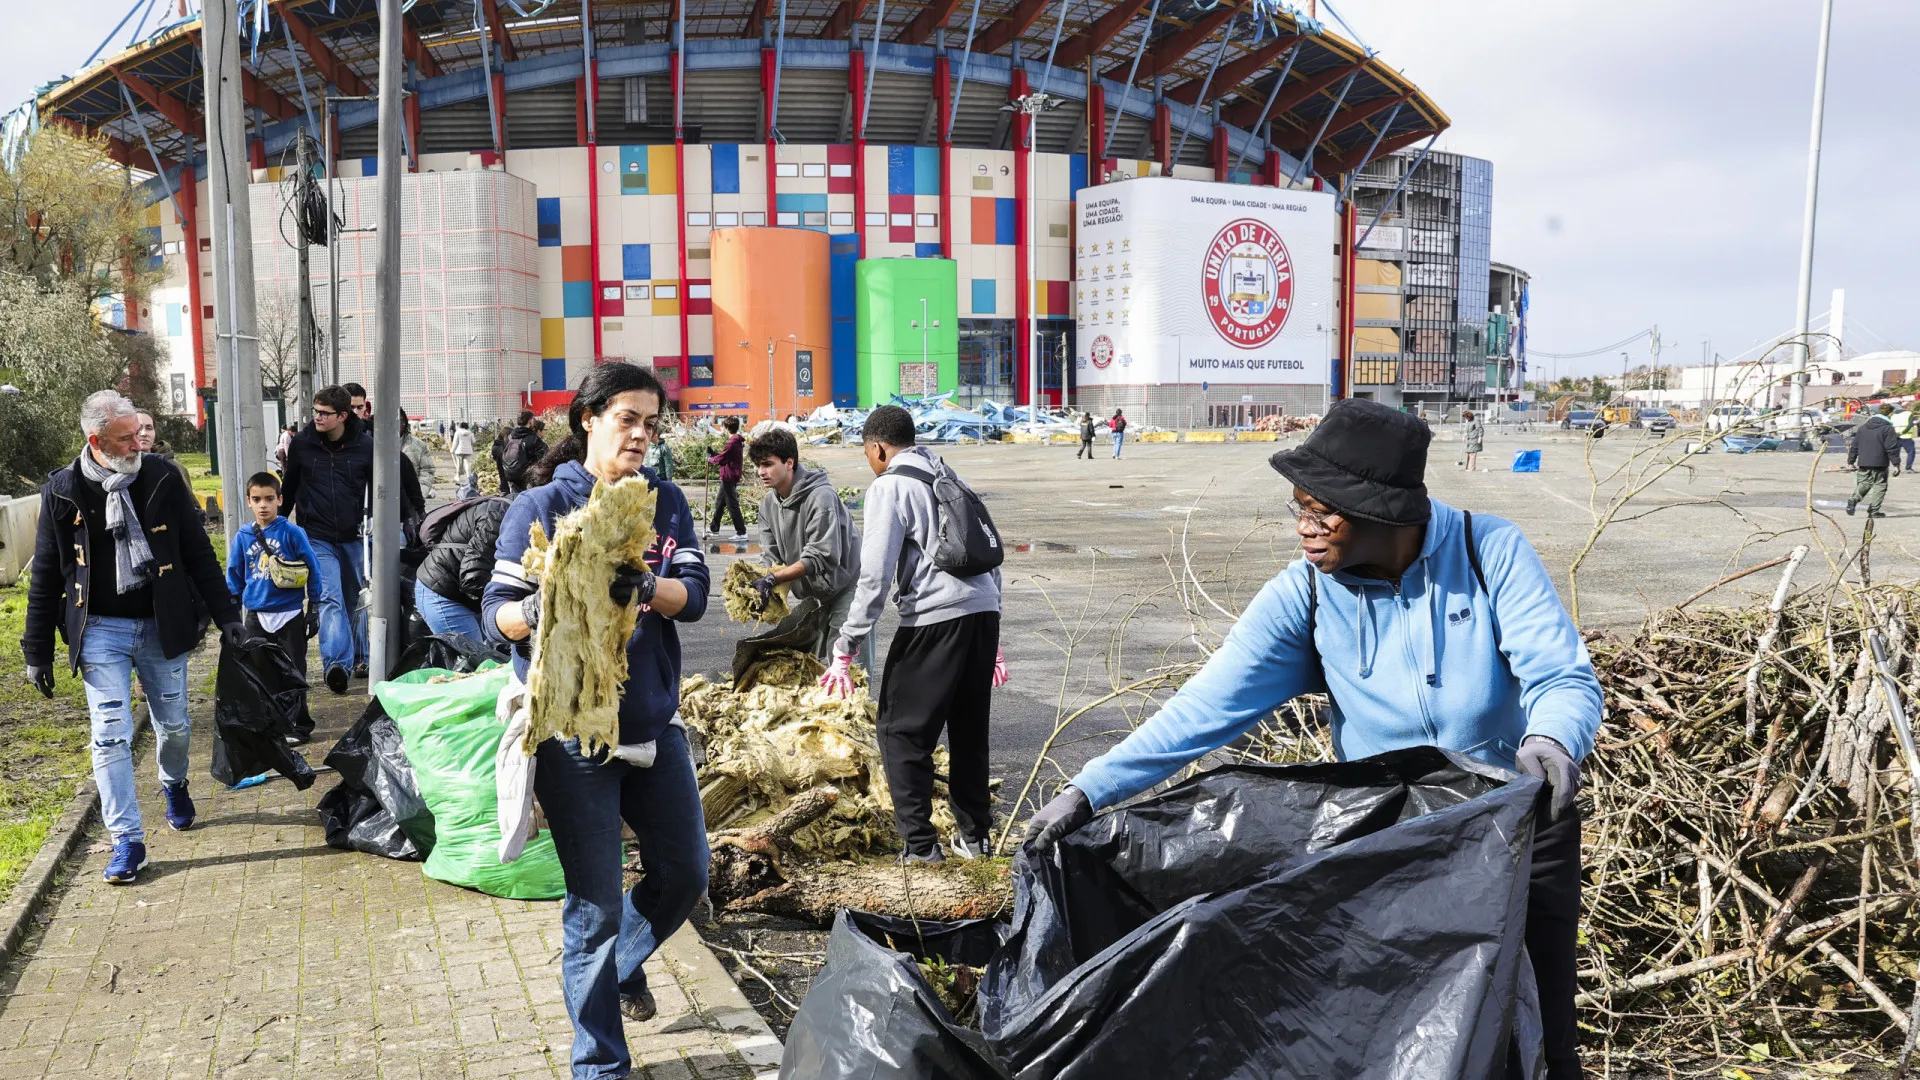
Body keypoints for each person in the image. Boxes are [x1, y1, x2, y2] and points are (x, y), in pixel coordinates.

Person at [1023, 398, 1602, 1080]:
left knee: (1542, 1040)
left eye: (1320, 509)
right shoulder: (1308, 596)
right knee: (1411, 1036)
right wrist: (1088, 792)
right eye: (1296, 505)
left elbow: (1562, 675)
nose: (1303, 527)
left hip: (1518, 832)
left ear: (1382, 510)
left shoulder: (1486, 551)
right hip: (1396, 846)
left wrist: (1552, 741)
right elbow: (1204, 707)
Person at [481, 362, 711, 1077]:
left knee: (685, 872)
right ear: (588, 418)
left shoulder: (665, 503)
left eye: (652, 423)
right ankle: (599, 1064)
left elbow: (696, 595)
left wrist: (650, 585)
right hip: (572, 732)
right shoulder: (542, 507)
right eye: (627, 420)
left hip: (650, 723)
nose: (641, 435)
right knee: (594, 908)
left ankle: (617, 970)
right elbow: (496, 618)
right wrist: (548, 597)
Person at [21, 391, 246, 883]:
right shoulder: (62, 489)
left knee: (176, 723)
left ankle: (174, 781)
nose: (137, 444)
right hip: (98, 627)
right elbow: (46, 576)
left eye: (138, 434)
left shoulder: (161, 476)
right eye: (125, 438)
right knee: (109, 734)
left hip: (161, 624)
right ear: (94, 439)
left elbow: (197, 554)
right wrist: (36, 649)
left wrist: (228, 614)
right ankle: (127, 840)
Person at [818, 405, 1007, 862]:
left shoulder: (890, 485)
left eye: (867, 452)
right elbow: (987, 553)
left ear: (878, 447)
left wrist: (847, 643)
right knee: (967, 731)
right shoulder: (949, 474)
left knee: (900, 731)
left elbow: (875, 575)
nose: (869, 461)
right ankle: (974, 839)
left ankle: (921, 848)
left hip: (934, 619)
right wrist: (994, 639)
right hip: (983, 615)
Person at [282, 385, 374, 693]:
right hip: (316, 536)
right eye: (316, 412)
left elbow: (380, 488)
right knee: (329, 598)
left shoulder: (365, 446)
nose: (317, 417)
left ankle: (358, 656)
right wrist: (279, 526)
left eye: (325, 413)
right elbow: (290, 485)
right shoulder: (302, 445)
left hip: (354, 537)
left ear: (343, 416)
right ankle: (336, 666)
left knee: (351, 601)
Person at [748, 428, 867, 665]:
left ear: (789, 462)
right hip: (814, 592)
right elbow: (772, 560)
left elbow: (821, 556)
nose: (761, 472)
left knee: (845, 663)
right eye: (758, 465)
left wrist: (773, 579)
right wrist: (759, 587)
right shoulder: (767, 506)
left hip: (847, 584)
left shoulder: (821, 497)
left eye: (768, 464)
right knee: (814, 664)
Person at [226, 471, 323, 744]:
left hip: (290, 615)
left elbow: (313, 569)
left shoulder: (292, 533)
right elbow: (234, 577)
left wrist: (313, 606)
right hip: (256, 616)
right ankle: (269, 724)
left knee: (293, 673)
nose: (263, 505)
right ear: (248, 501)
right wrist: (229, 616)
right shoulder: (243, 537)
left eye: (269, 498)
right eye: (256, 499)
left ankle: (298, 726)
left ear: (280, 499)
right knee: (259, 674)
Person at [414, 494, 510, 640]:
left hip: (464, 595)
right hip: (443, 594)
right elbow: (472, 576)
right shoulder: (498, 516)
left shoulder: (515, 511)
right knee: (475, 660)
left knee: (491, 656)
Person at [1847, 403, 1901, 518]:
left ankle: (1853, 499)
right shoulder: (1888, 428)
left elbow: (1854, 446)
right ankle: (1873, 511)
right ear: (1890, 413)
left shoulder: (1863, 428)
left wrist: (1850, 462)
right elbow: (1891, 448)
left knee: (1865, 483)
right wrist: (1896, 464)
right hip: (1880, 463)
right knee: (1880, 486)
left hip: (1863, 462)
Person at [706, 416, 747, 542]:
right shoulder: (736, 441)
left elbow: (723, 458)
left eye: (723, 426)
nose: (722, 428)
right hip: (729, 475)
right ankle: (714, 528)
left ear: (727, 427)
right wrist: (714, 454)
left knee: (732, 505)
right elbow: (725, 455)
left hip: (729, 476)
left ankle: (741, 532)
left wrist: (710, 459)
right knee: (719, 502)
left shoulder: (732, 442)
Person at [494, 410, 549, 495]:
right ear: (530, 421)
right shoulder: (532, 438)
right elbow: (545, 458)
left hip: (511, 474)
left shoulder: (510, 436)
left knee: (516, 499)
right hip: (527, 478)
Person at [402, 419, 437, 499]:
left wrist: (420, 493)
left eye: (400, 420)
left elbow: (427, 470)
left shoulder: (418, 445)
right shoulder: (373, 443)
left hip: (411, 500)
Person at [1893, 403, 1917, 474]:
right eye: (1911, 406)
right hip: (1906, 436)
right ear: (1908, 406)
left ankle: (1896, 467)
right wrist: (1902, 432)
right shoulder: (1909, 413)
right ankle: (1908, 468)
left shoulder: (1894, 415)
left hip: (1895, 436)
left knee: (1896, 453)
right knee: (1911, 452)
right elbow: (1910, 425)